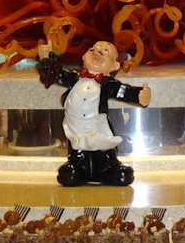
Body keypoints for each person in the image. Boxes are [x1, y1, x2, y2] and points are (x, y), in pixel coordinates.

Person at [36, 41, 152, 186]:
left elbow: (122, 91)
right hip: (76, 129)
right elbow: (56, 74)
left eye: (104, 52)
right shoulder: (74, 78)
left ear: (114, 66)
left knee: (105, 151)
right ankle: (78, 168)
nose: (97, 53)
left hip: (98, 128)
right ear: (83, 57)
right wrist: (46, 59)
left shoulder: (108, 84)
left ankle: (109, 169)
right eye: (92, 50)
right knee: (74, 160)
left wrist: (139, 95)